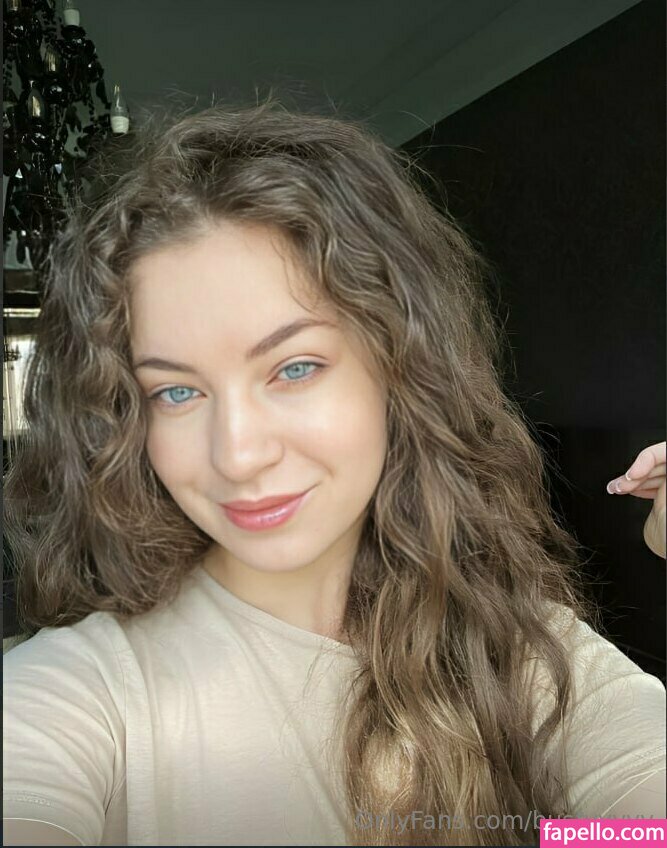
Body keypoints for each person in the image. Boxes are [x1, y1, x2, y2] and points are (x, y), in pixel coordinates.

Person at [3, 101, 665, 847]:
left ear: (399, 369)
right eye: (176, 392)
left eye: (294, 368)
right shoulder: (85, 690)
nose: (238, 455)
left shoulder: (519, 650)